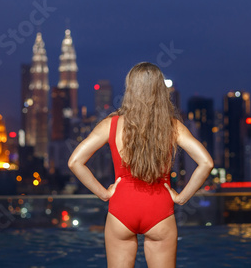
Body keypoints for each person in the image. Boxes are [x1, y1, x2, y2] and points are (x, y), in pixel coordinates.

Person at [68, 62, 214, 268]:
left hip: (121, 209)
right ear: (160, 90)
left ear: (130, 89)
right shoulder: (172, 126)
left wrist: (103, 193)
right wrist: (181, 198)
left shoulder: (111, 124)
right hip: (159, 210)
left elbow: (75, 162)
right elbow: (206, 162)